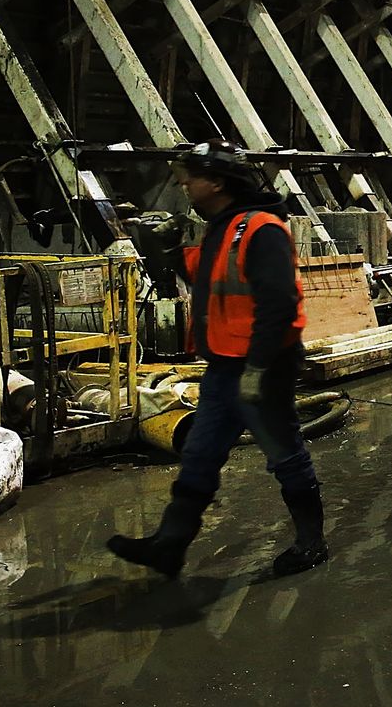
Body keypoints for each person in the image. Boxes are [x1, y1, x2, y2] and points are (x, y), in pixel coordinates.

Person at [107, 139, 329, 578]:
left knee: (284, 456)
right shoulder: (223, 227)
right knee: (200, 454)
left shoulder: (262, 229)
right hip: (226, 365)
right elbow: (210, 277)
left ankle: (311, 544)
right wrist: (167, 252)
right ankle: (170, 544)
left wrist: (259, 368)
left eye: (192, 178)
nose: (185, 185)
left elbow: (279, 306)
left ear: (217, 181)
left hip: (263, 366)